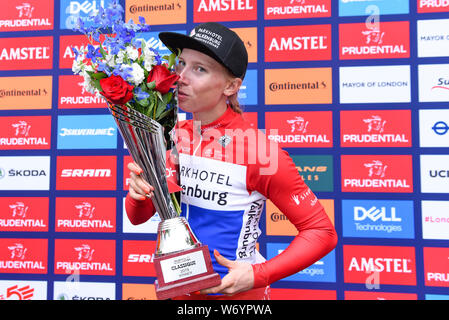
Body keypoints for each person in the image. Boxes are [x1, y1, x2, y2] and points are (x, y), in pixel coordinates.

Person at [125, 22, 338, 300]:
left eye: (199, 69)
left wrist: (257, 274)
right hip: (177, 294)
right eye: (181, 64)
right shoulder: (170, 137)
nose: (180, 77)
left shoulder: (259, 151)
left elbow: (321, 232)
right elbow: (138, 217)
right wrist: (138, 195)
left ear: (231, 86)